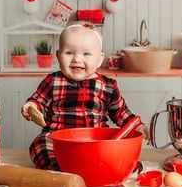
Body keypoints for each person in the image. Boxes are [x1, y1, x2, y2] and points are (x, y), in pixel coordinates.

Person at [21, 21, 149, 171]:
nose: (77, 59)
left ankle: (113, 166)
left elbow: (121, 112)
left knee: (115, 148)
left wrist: (138, 125)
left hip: (95, 140)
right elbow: (38, 101)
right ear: (58, 55)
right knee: (39, 145)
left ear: (100, 59)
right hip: (57, 139)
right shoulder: (53, 81)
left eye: (86, 53)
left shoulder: (108, 86)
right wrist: (32, 106)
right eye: (69, 53)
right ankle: (59, 169)